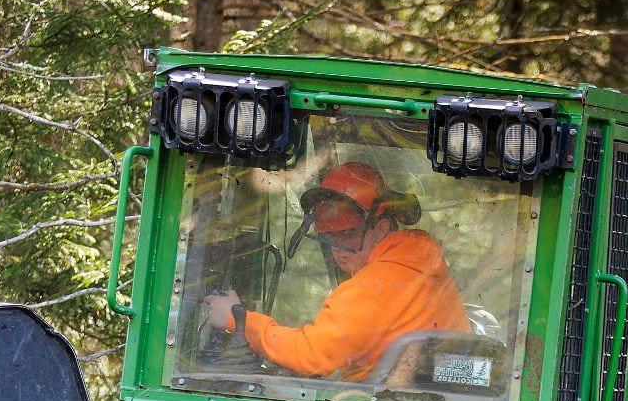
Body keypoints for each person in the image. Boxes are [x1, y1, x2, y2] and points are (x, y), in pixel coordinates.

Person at [200, 161, 467, 383]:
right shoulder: (422, 269)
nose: (338, 249)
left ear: (382, 228)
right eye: (329, 237)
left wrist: (237, 319)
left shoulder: (375, 286)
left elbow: (312, 357)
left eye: (348, 234)